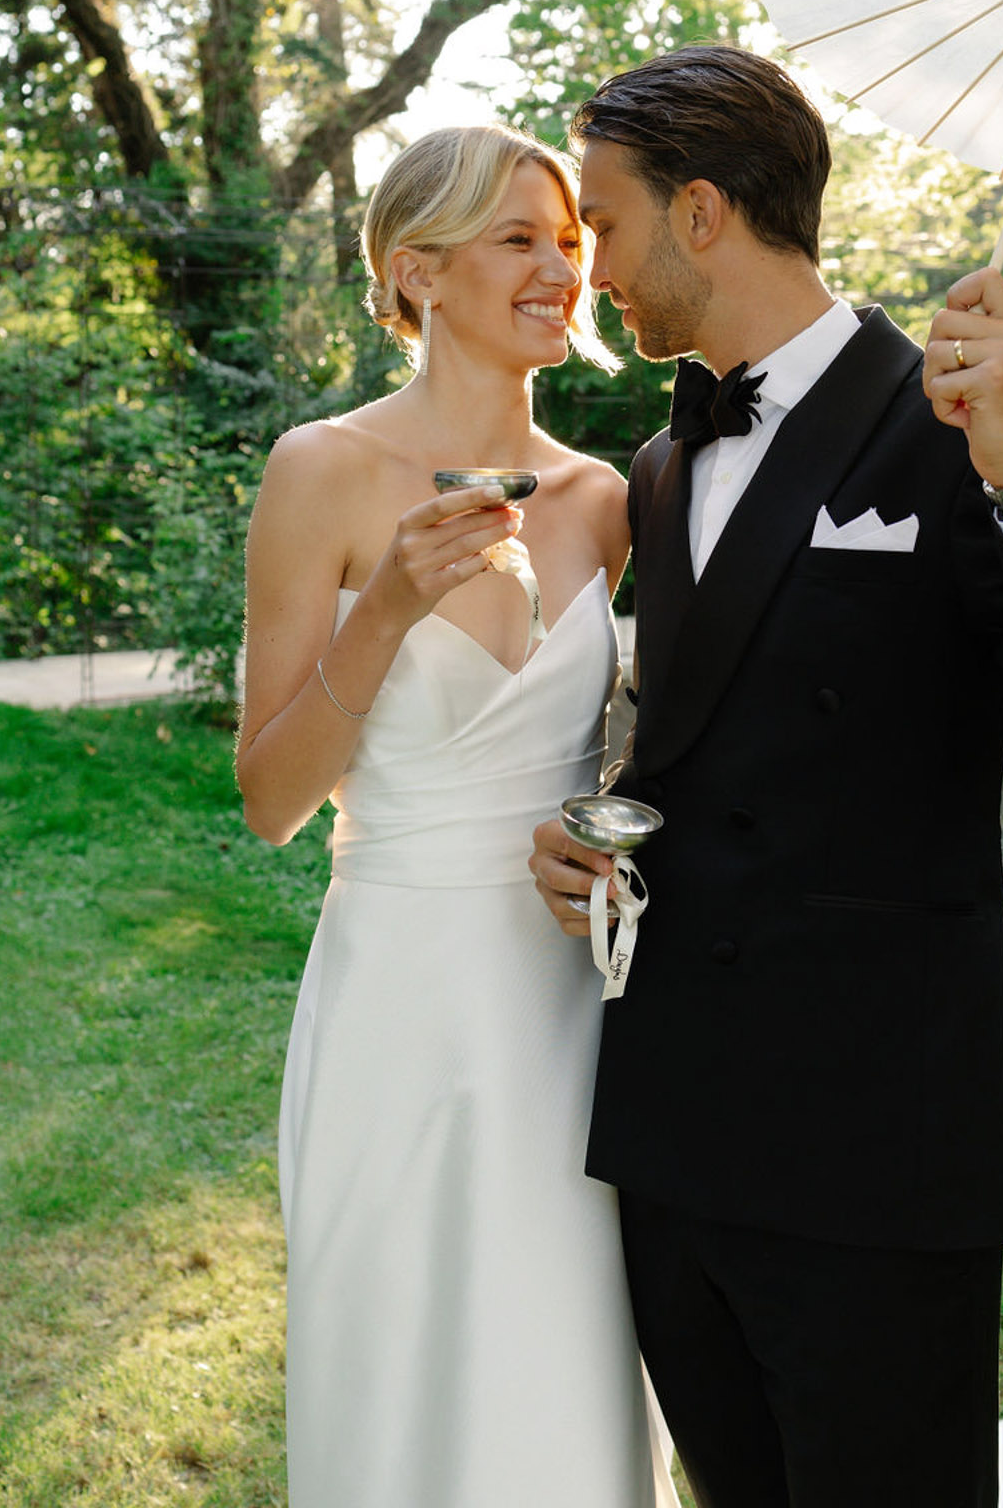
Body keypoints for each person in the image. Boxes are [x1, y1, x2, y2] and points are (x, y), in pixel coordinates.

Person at [529, 45, 1003, 1508]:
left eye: (603, 221)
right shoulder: (659, 469)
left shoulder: (977, 428)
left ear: (703, 212)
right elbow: (703, 742)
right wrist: (585, 835)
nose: (591, 266)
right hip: (670, 1127)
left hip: (869, 1140)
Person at [236, 123, 679, 1508]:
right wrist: (384, 614)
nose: (563, 267)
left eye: (570, 239)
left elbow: (669, 753)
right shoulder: (322, 469)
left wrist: (612, 839)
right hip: (399, 1000)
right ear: (417, 273)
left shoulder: (609, 500)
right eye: (518, 240)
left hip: (566, 1003)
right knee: (402, 1360)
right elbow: (268, 801)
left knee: (562, 1364)